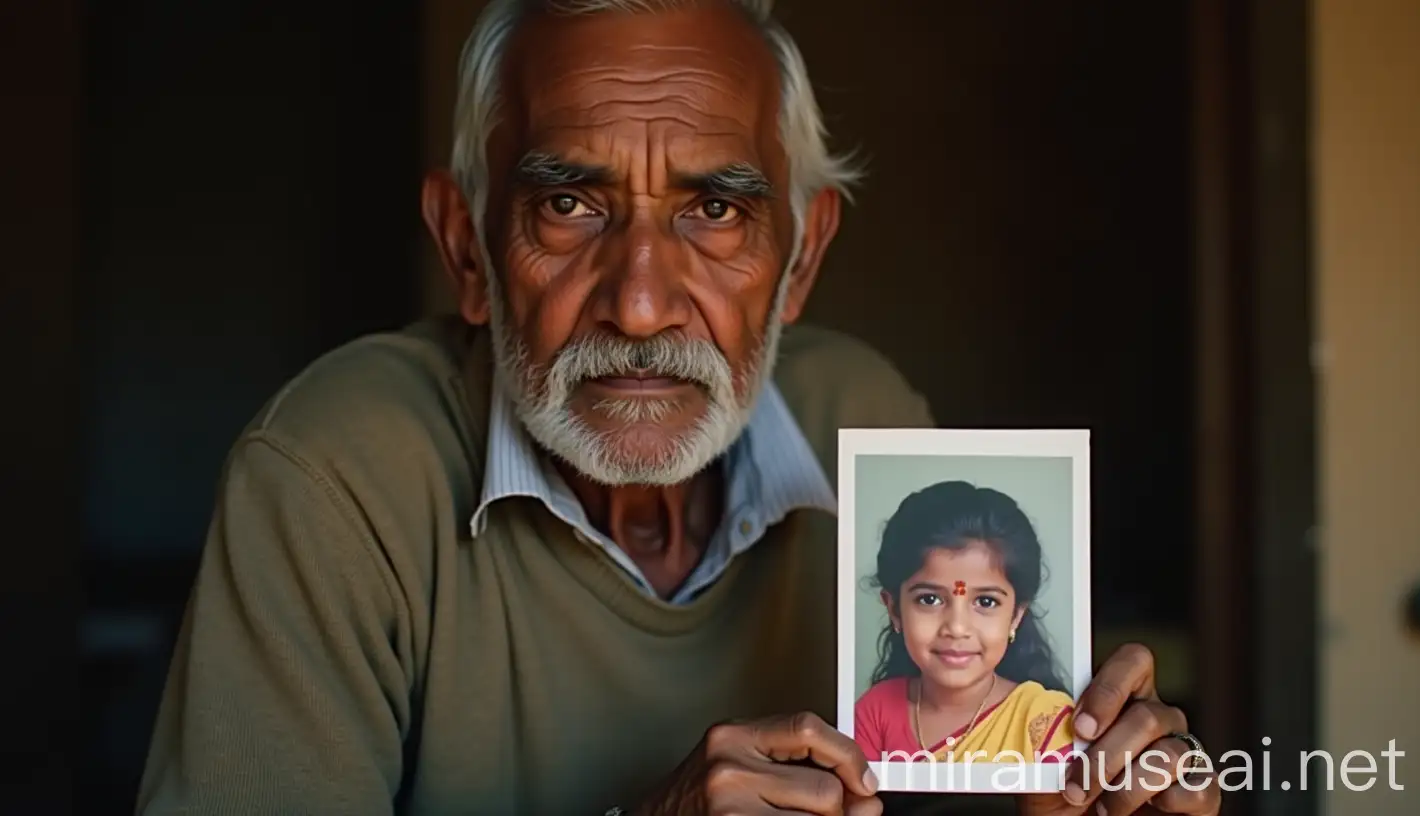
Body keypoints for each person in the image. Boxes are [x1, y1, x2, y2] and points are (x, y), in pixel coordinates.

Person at [135, 1, 1221, 815]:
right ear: (467, 248)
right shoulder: (337, 470)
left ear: (798, 263)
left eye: (713, 209)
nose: (643, 304)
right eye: (568, 204)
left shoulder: (865, 421)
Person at [854, 481, 1075, 768]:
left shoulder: (1046, 722)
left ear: (1016, 616)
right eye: (930, 599)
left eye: (985, 602)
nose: (957, 628)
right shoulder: (875, 712)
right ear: (894, 609)